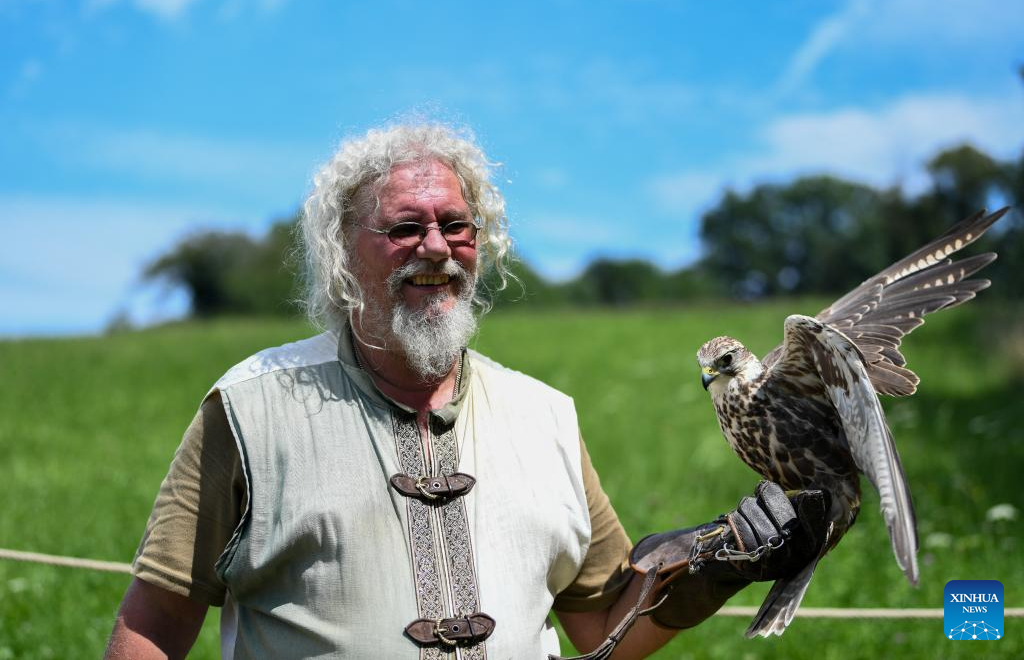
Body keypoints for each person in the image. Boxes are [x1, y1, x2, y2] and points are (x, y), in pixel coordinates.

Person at [105, 124, 828, 659]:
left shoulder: (546, 416)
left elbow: (598, 625)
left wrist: (705, 574)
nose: (436, 247)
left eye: (457, 225)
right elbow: (154, 623)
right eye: (404, 228)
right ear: (341, 254)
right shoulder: (251, 408)